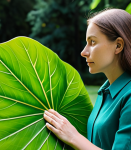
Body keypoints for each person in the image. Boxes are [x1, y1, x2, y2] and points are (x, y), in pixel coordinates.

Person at [44, 8, 131, 150]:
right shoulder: (105, 92)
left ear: (118, 45)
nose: (84, 52)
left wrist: (73, 137)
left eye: (92, 42)